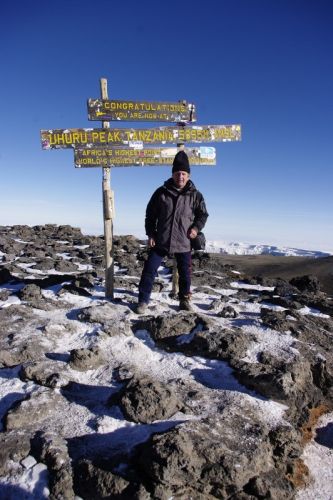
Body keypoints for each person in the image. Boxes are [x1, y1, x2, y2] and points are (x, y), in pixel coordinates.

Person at [136, 150, 208, 314]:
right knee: (149, 270)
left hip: (184, 241)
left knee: (185, 274)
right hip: (161, 239)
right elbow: (150, 215)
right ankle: (142, 301)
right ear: (172, 174)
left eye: (183, 173)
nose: (180, 177)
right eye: (177, 173)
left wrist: (196, 228)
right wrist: (151, 233)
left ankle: (184, 300)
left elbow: (203, 214)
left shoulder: (196, 196)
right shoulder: (161, 192)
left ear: (188, 175)